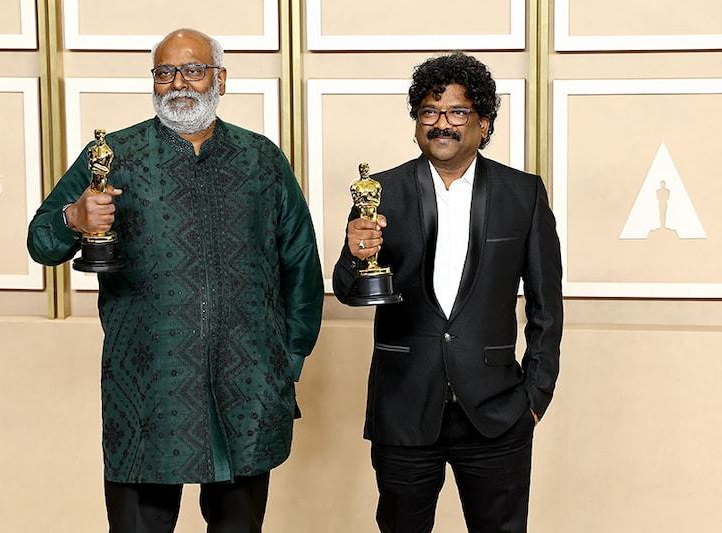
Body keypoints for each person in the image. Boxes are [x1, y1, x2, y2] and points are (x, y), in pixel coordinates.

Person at [28, 28, 324, 533]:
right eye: (165, 73)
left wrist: (288, 361)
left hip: (247, 387)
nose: (178, 84)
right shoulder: (114, 154)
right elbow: (41, 241)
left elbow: (301, 266)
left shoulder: (261, 159)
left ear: (220, 80)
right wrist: (73, 219)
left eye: (193, 70)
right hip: (147, 389)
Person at [332, 52, 563, 532]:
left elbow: (547, 306)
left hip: (498, 411)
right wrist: (354, 256)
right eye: (429, 113)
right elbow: (349, 291)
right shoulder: (378, 191)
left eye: (457, 112)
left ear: (484, 122)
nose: (442, 124)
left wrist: (534, 397)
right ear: (417, 122)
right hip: (404, 406)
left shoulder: (522, 193)